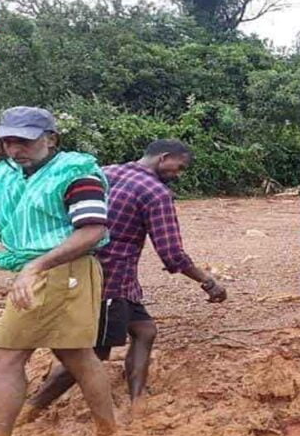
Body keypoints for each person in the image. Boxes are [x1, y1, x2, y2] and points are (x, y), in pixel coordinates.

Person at [0, 107, 116, 436]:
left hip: (62, 270)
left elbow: (93, 230)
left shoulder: (76, 174)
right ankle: (109, 432)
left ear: (50, 139)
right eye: (8, 142)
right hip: (45, 272)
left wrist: (37, 266)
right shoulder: (6, 176)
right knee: (76, 354)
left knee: (3, 359)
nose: (15, 149)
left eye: (24, 141)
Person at [21, 139, 227, 421]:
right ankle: (32, 409)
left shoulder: (105, 172)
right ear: (164, 158)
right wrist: (208, 281)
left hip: (88, 274)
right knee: (92, 354)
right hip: (110, 281)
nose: (178, 174)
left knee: (144, 331)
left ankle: (138, 401)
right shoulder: (155, 192)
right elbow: (172, 253)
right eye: (179, 167)